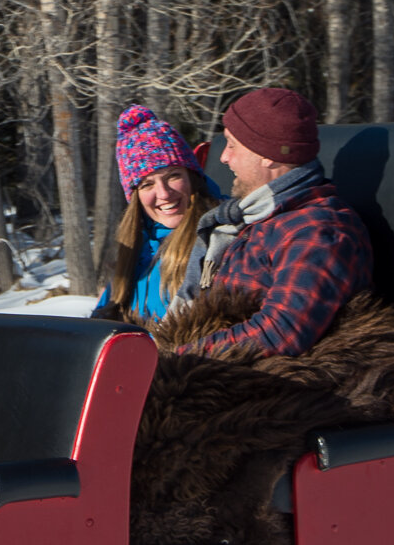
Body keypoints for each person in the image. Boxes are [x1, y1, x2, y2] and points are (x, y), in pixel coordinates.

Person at [175, 87, 373, 356]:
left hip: (271, 384)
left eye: (232, 145)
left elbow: (281, 332)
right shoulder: (252, 218)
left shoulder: (317, 232)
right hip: (218, 366)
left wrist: (177, 358)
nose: (224, 157)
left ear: (267, 155)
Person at [94, 105, 220, 322]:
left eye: (173, 176)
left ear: (192, 177)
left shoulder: (217, 240)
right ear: (135, 197)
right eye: (146, 184)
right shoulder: (134, 247)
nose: (163, 193)